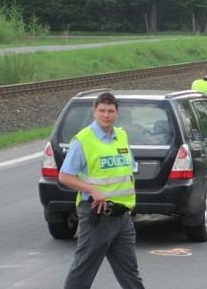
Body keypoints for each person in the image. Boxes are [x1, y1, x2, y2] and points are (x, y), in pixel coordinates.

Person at [59, 92, 145, 289]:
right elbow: (64, 176)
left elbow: (127, 171)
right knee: (83, 270)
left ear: (117, 113)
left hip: (122, 216)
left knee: (129, 271)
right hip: (97, 215)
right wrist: (91, 189)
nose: (106, 115)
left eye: (110, 111)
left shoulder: (121, 135)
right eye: (102, 111)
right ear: (94, 112)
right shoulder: (83, 140)